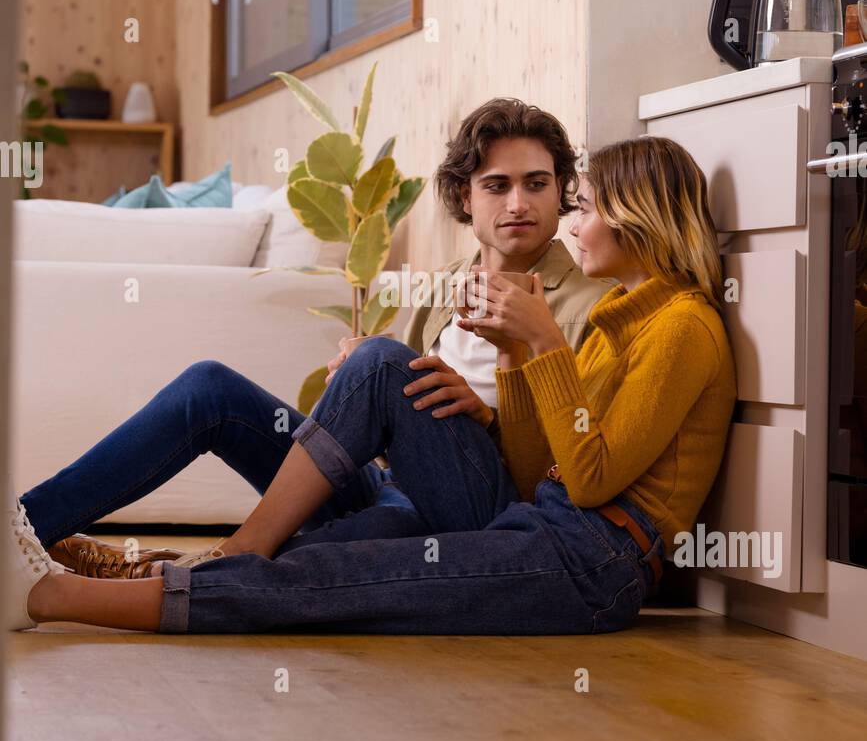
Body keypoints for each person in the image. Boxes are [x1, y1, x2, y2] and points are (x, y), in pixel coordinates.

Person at [10, 135, 737, 636]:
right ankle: (29, 536)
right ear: (467, 199)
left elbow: (584, 480)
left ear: (636, 214)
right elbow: (539, 465)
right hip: (507, 509)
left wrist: (538, 343)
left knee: (321, 576)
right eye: (499, 186)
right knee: (370, 364)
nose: (553, 214)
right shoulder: (617, 314)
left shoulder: (671, 326)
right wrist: (515, 358)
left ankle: (60, 594)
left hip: (581, 550)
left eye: (567, 199)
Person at [40, 98, 609, 578]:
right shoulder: (447, 287)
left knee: (306, 548)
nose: (518, 203)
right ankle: (26, 525)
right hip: (390, 481)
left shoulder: (586, 304)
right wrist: (359, 386)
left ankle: (184, 564)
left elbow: (574, 469)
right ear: (466, 198)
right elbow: (396, 415)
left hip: (479, 509)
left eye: (537, 184)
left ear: (560, 190)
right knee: (209, 388)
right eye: (497, 185)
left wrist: (487, 421)